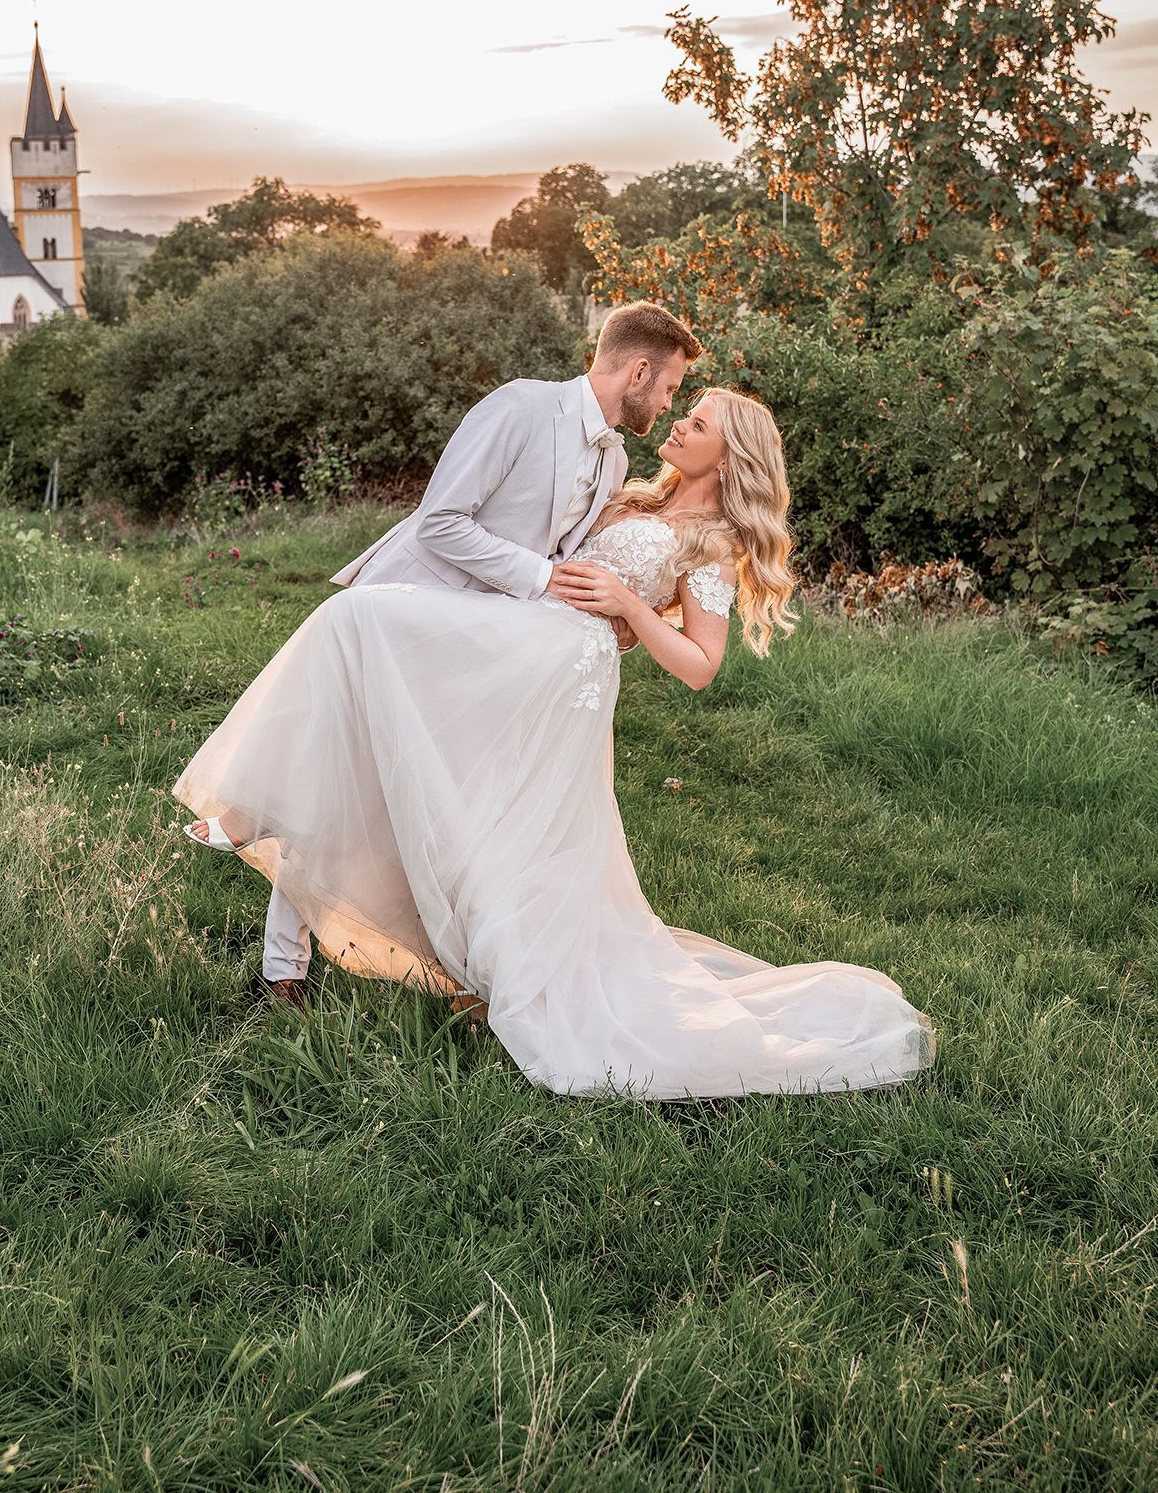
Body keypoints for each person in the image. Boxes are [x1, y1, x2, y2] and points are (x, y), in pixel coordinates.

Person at [177, 312, 936, 1099]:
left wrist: (631, 611)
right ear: (637, 372)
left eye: (696, 419)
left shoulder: (712, 539)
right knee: (382, 731)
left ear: (729, 454)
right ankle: (278, 867)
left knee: (466, 776)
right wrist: (599, 603)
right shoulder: (618, 480)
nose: (676, 417)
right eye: (677, 399)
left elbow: (701, 663)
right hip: (513, 632)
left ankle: (286, 839)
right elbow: (532, 549)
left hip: (551, 663)